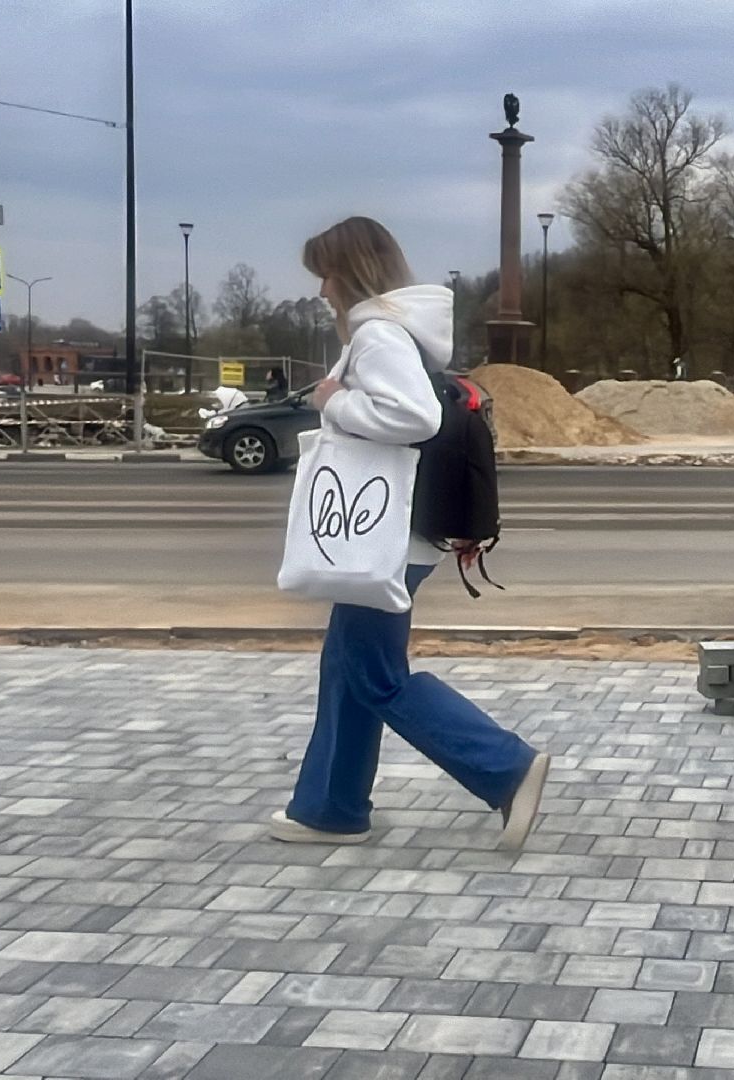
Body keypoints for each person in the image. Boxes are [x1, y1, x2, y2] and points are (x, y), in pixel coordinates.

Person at [270, 215, 549, 848]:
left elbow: (414, 417)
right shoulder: (398, 333)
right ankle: (329, 808)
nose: (321, 292)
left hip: (384, 534)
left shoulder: (377, 334)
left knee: (374, 676)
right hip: (395, 531)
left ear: (350, 274)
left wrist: (333, 402)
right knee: (348, 669)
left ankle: (506, 767)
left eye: (326, 276)